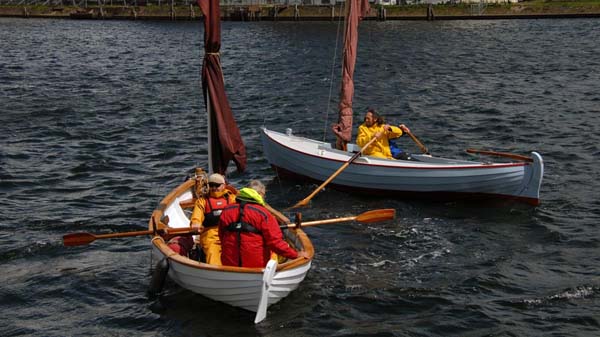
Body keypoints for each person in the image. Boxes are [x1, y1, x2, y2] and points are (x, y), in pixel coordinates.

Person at [218, 180, 310, 268]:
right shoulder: (263, 214)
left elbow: (221, 237)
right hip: (256, 266)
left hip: (229, 264)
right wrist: (296, 254)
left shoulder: (226, 210)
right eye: (264, 195)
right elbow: (275, 243)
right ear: (260, 195)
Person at [167, 173, 235, 265]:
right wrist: (195, 223)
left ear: (223, 186)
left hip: (229, 233)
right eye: (211, 185)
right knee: (212, 252)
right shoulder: (203, 201)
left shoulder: (231, 198)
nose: (214, 188)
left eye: (217, 185)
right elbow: (196, 216)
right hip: (211, 236)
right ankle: (216, 272)